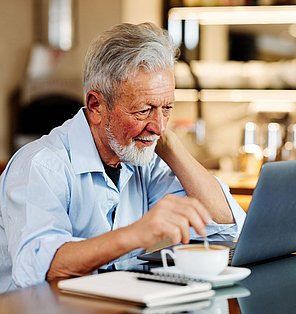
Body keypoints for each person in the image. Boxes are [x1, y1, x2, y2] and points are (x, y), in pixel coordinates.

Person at [0, 22, 245, 290]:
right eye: (143, 110)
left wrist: (170, 144)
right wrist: (136, 234)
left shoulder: (143, 156)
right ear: (95, 106)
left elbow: (224, 223)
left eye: (167, 108)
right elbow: (41, 267)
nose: (159, 125)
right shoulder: (41, 165)